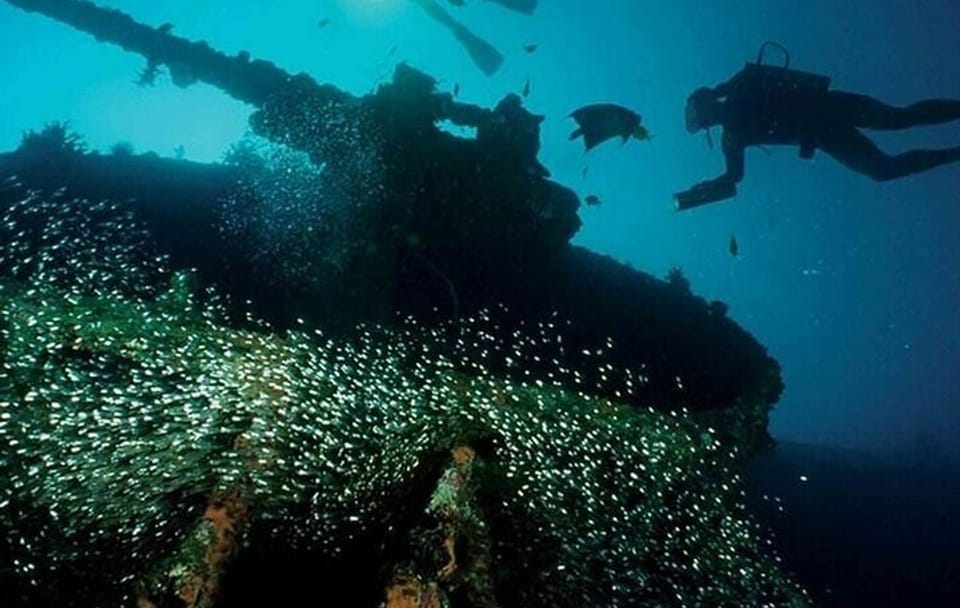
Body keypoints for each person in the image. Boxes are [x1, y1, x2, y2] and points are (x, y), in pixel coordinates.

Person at [676, 43, 960, 210]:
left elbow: (733, 176)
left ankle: (954, 149)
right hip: (825, 129)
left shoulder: (737, 103)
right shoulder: (732, 135)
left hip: (828, 114)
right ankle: (954, 153)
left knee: (897, 124)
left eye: (702, 113)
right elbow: (733, 177)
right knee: (886, 156)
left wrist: (721, 88)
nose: (707, 118)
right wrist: (706, 189)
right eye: (703, 117)